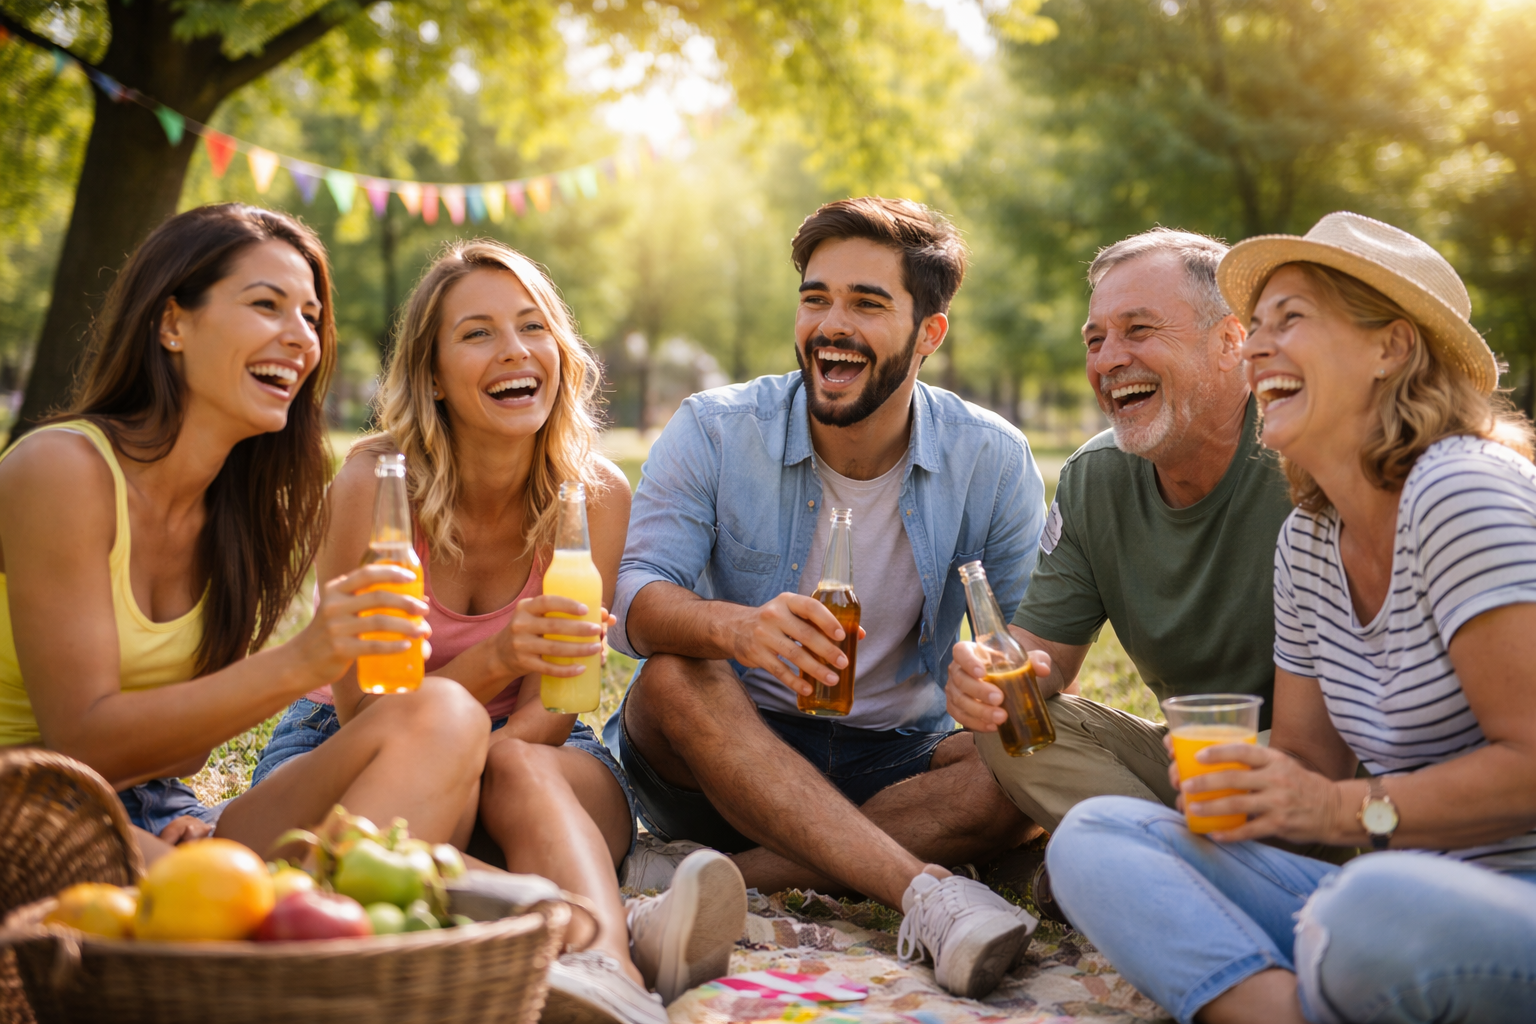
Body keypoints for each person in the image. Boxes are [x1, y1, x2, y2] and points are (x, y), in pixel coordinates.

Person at [1049, 212, 1536, 1024]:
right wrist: (1251, 780)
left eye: (1292, 320)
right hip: (1388, 892)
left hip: (1492, 900)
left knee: (1361, 914)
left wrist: (1337, 811)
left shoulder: (1462, 491)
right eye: (1257, 326)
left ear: (1393, 349)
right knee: (1095, 840)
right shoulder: (1310, 538)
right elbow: (1310, 757)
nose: (1257, 346)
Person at [249, 240, 743, 1024]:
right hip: (346, 740)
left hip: (534, 753)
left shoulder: (594, 493)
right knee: (388, 855)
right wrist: (498, 656)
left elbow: (553, 712)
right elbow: (368, 717)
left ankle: (607, 975)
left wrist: (490, 755)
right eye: (477, 333)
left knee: (518, 773)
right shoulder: (374, 484)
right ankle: (605, 917)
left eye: (532, 326)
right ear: (433, 375)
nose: (515, 351)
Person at [607, 197, 1045, 999]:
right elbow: (634, 602)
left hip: (896, 759)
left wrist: (988, 679)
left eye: (867, 303)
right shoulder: (714, 428)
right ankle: (926, 892)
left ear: (930, 334)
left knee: (1021, 769)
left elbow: (1023, 654)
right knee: (675, 675)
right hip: (725, 755)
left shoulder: (993, 457)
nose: (831, 324)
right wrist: (738, 631)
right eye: (816, 298)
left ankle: (719, 880)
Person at [0, 204, 490, 863]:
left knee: (446, 717)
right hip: (26, 807)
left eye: (311, 318)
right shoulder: (61, 470)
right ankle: (299, 937)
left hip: (153, 806)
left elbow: (191, 749)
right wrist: (303, 661)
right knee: (225, 905)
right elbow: (79, 742)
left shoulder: (240, 513)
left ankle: (315, 926)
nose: (301, 339)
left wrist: (161, 830)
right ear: (172, 323)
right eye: (268, 305)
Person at [944, 228, 1295, 914]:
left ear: (1231, 340)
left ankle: (1138, 871)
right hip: (1193, 771)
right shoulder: (1095, 481)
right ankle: (1188, 873)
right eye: (1095, 339)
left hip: (1320, 767)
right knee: (1009, 723)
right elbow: (1043, 667)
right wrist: (988, 681)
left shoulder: (1303, 457)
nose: (1110, 359)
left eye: (1138, 329)